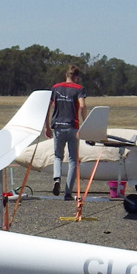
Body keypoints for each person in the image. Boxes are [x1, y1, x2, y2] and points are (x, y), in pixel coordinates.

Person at [45, 65, 87, 200]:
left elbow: (48, 107)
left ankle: (57, 178)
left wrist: (47, 126)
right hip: (72, 126)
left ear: (66, 75)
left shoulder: (55, 87)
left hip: (58, 126)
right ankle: (68, 192)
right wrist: (85, 122)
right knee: (73, 160)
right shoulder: (79, 89)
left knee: (57, 156)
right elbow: (82, 106)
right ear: (76, 77)